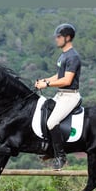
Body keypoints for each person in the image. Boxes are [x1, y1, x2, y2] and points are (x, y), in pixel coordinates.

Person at [35, 23, 82, 171]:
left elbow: (67, 80)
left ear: (67, 38)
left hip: (70, 96)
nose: (56, 39)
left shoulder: (73, 56)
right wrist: (45, 80)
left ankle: (61, 156)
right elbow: (59, 75)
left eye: (59, 37)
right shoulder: (63, 55)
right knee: (43, 114)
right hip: (61, 94)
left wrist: (47, 84)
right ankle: (49, 149)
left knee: (52, 122)